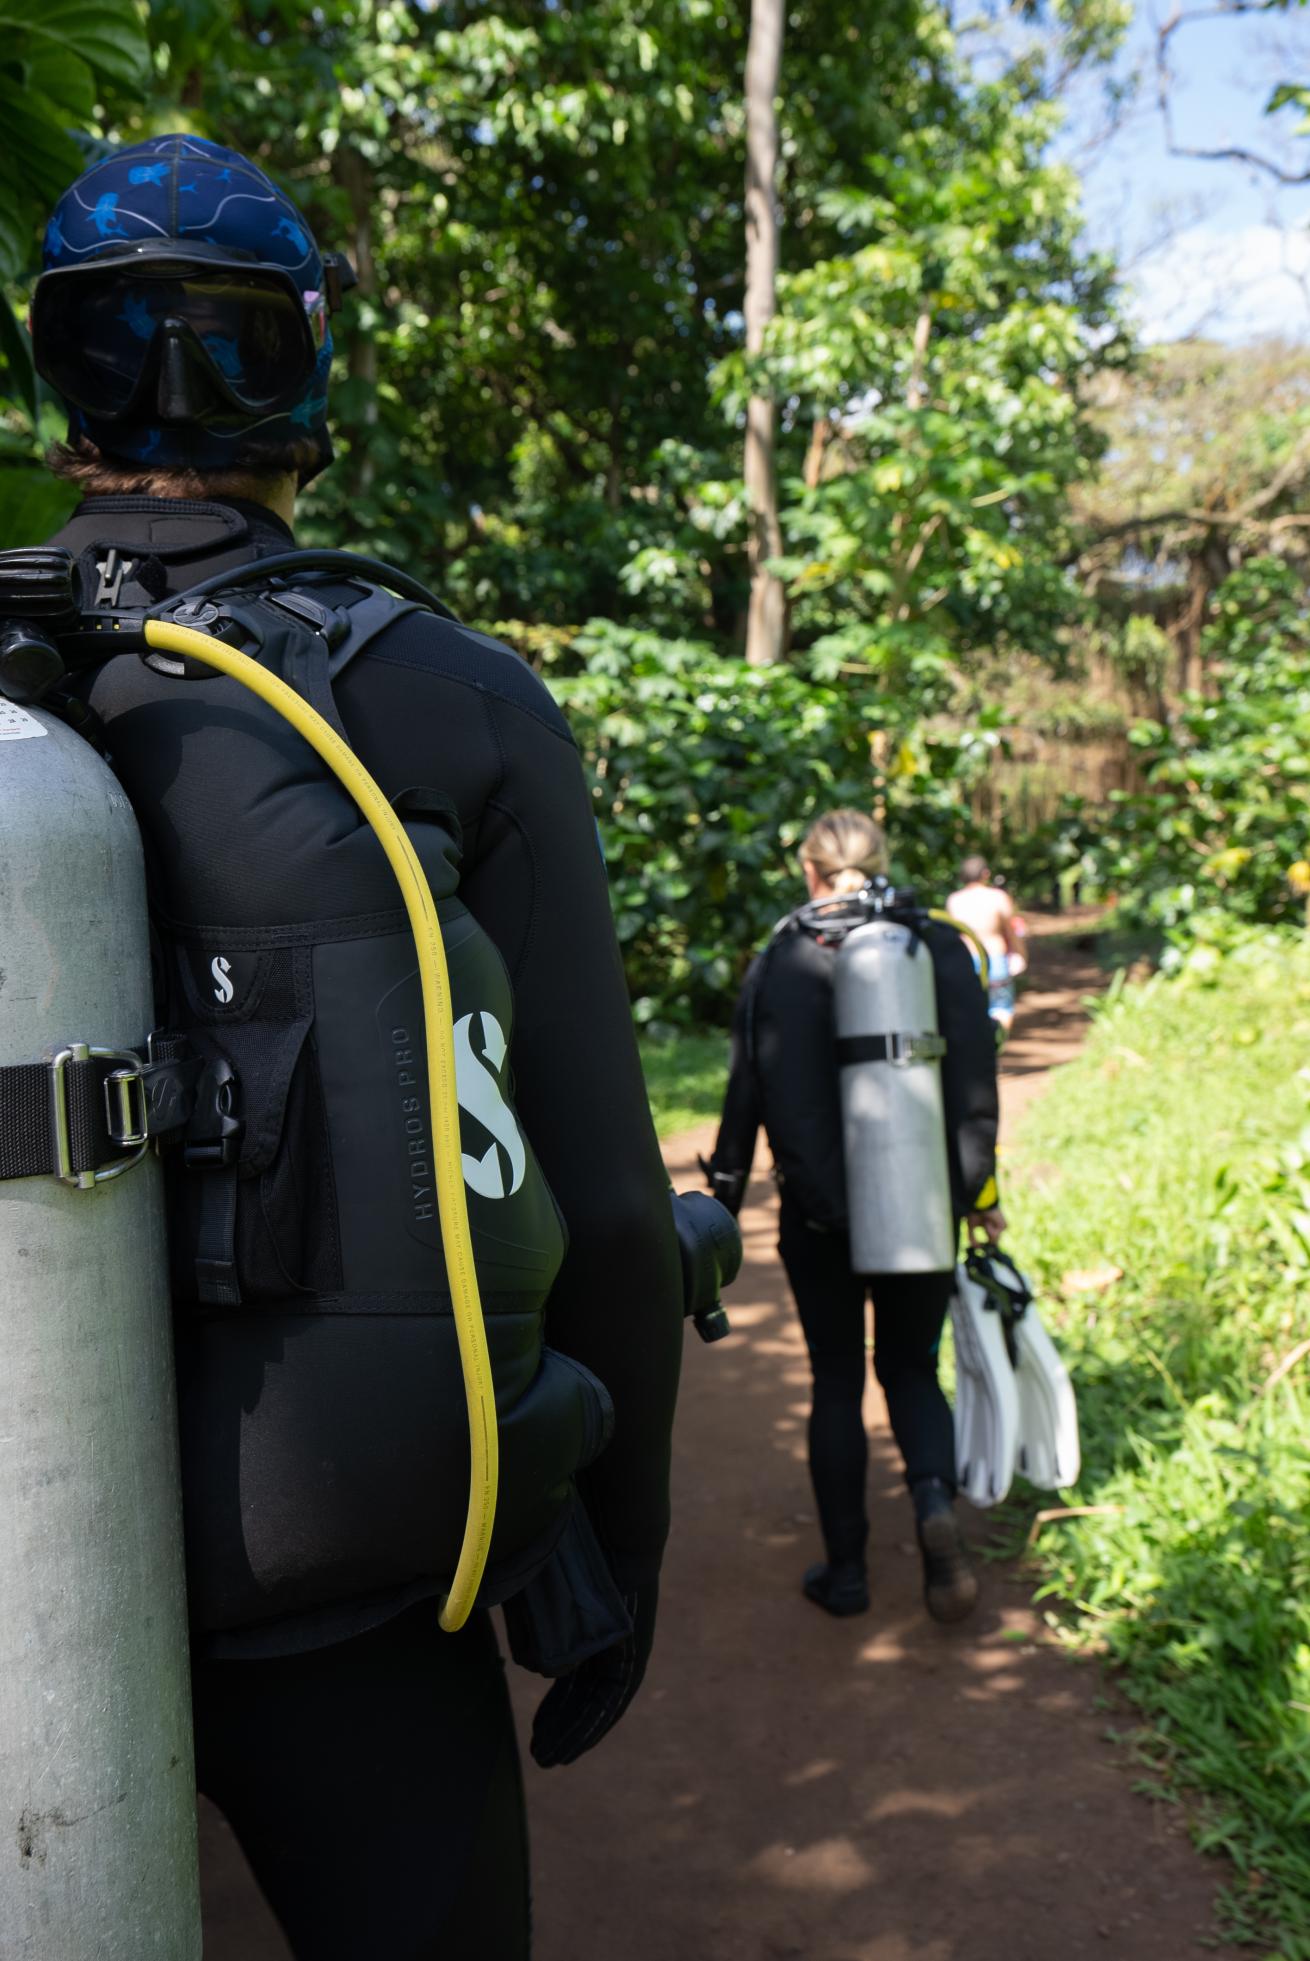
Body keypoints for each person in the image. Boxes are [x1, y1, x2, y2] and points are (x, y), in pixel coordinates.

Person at [28, 134, 684, 1958]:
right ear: (306, 369)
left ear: (56, 373)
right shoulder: (448, 693)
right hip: (344, 1603)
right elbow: (615, 1216)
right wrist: (615, 1549)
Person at [705, 811, 1002, 1625]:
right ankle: (935, 1506)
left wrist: (721, 1208)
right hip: (922, 1204)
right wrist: (978, 1197)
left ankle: (846, 1575)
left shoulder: (780, 956)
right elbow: (976, 1089)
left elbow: (745, 1095)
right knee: (910, 1368)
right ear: (884, 859)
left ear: (809, 870)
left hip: (817, 1217)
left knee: (836, 1378)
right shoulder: (937, 946)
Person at [946, 855, 1028, 1035]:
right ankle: (996, 1049)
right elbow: (1011, 931)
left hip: (966, 962)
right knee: (1001, 1008)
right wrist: (1020, 954)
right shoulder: (997, 897)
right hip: (996, 960)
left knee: (970, 1009)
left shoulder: (954, 900)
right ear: (985, 874)